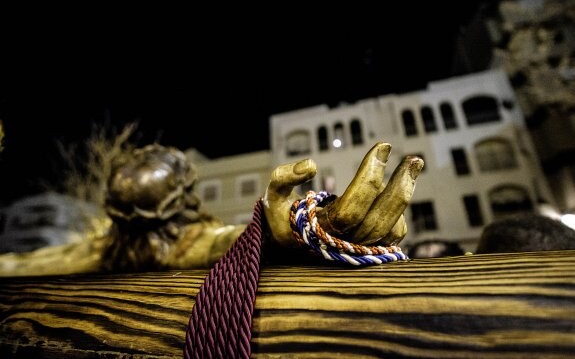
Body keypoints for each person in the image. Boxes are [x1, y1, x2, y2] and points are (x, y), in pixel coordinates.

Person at [0, 141, 424, 276]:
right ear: (185, 201)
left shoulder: (99, 251)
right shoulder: (179, 244)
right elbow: (231, 240)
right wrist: (303, 227)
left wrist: (300, 226)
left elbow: (23, 264)